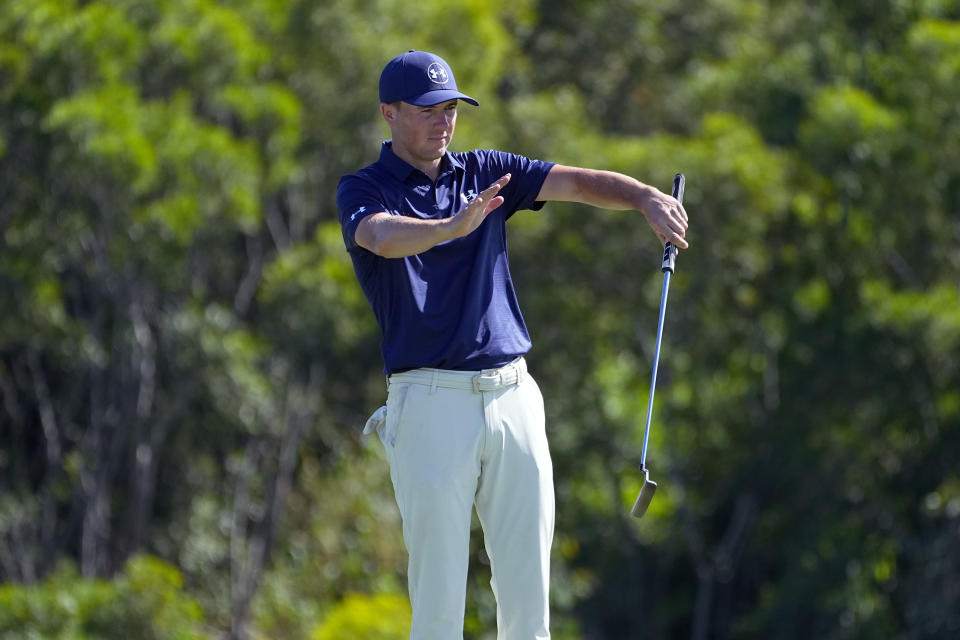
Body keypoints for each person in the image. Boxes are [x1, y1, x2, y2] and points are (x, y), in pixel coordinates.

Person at [336, 50, 688, 640]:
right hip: (428, 402)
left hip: (513, 395)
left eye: (450, 109)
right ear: (388, 114)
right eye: (426, 110)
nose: (442, 121)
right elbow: (377, 236)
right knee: (439, 604)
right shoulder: (363, 188)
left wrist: (645, 196)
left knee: (528, 602)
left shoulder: (484, 171)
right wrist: (452, 227)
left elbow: (574, 181)